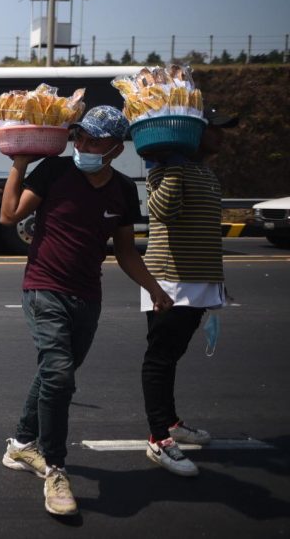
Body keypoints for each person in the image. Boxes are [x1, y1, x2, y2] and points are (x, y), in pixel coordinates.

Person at [0, 105, 174, 516]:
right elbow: (9, 215)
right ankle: (56, 468)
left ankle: (21, 445)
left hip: (87, 296)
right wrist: (19, 165)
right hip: (44, 288)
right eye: (79, 137)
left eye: (93, 140)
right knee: (59, 373)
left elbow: (127, 253)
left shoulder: (123, 191)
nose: (82, 145)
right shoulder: (54, 172)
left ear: (114, 148)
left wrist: (155, 289)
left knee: (54, 373)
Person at [139, 108, 238, 476]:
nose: (222, 136)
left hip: (197, 283)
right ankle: (158, 439)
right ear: (192, 134)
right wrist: (172, 166)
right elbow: (162, 211)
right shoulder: (165, 168)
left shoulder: (204, 171)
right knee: (160, 358)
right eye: (216, 129)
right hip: (170, 283)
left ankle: (170, 422)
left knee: (172, 355)